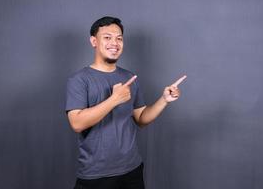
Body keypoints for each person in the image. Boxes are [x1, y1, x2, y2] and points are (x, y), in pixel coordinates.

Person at [66, 16, 186, 189]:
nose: (114, 43)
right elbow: (77, 123)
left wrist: (164, 100)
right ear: (94, 41)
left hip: (132, 170)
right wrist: (114, 100)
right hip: (96, 174)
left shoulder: (129, 77)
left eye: (119, 38)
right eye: (107, 37)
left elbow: (141, 119)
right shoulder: (79, 80)